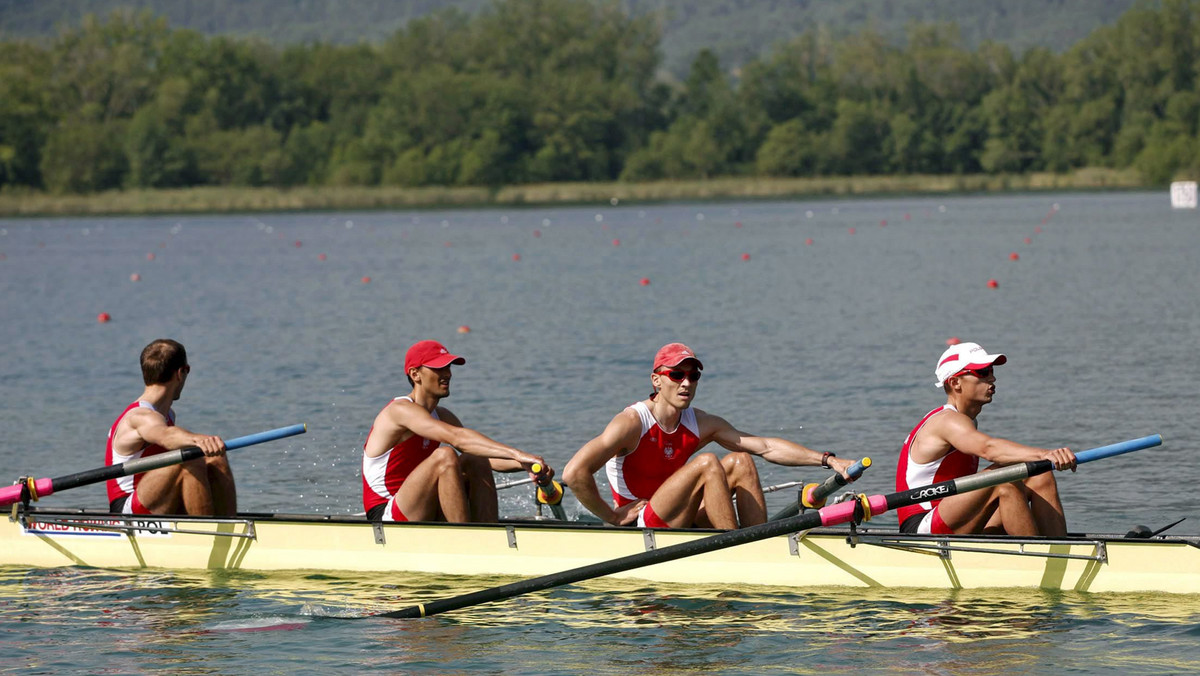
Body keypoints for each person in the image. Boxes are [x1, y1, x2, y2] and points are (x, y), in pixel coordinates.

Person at [563, 343, 859, 529]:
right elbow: (574, 472)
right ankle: (734, 548)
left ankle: (759, 542)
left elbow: (766, 447)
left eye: (694, 376)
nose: (686, 383)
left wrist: (828, 460)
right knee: (707, 462)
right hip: (641, 522)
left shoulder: (700, 422)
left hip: (679, 513)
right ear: (656, 379)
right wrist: (612, 517)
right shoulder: (630, 422)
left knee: (741, 460)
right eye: (677, 375)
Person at [895, 342, 1077, 536]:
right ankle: (1036, 561)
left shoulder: (966, 422)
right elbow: (988, 449)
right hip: (923, 526)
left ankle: (1063, 553)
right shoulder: (947, 421)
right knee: (1003, 477)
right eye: (982, 372)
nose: (992, 378)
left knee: (1040, 474)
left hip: (956, 516)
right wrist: (1046, 454)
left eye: (990, 370)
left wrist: (1043, 460)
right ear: (955, 382)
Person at [362, 339, 554, 523]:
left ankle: (489, 536)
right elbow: (458, 438)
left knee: (475, 458)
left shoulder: (442, 415)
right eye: (438, 368)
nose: (447, 374)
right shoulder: (400, 411)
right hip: (386, 513)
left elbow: (486, 457)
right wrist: (517, 453)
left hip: (422, 505)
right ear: (415, 374)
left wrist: (524, 463)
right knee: (444, 455)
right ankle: (463, 540)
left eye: (448, 367)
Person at [106, 339, 234, 516]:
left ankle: (231, 527)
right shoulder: (139, 417)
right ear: (181, 373)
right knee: (190, 458)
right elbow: (166, 435)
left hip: (158, 498)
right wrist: (199, 440)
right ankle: (205, 536)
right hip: (127, 510)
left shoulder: (168, 414)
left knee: (214, 458)